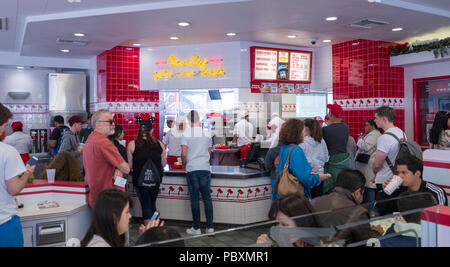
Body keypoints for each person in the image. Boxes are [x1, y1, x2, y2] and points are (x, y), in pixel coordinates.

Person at [311, 169, 383, 244]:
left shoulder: (314, 202)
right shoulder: (358, 212)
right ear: (358, 193)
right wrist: (377, 232)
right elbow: (369, 241)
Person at [0, 103, 36, 247]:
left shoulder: (8, 141)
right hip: (4, 222)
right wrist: (27, 172)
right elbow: (14, 189)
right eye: (4, 125)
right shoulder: (7, 151)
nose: (4, 130)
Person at [83, 109, 130, 208]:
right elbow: (126, 168)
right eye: (110, 121)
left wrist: (118, 168)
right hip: (111, 199)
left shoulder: (90, 139)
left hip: (97, 198)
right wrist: (120, 168)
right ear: (98, 124)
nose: (113, 124)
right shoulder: (104, 143)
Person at [274, 118, 331, 200]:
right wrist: (319, 178)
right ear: (297, 133)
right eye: (304, 131)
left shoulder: (285, 148)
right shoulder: (296, 150)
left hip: (283, 193)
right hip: (295, 196)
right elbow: (305, 178)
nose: (305, 134)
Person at [375, 155, 447, 215]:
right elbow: (379, 211)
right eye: (398, 172)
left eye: (404, 173)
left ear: (417, 174)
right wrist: (385, 193)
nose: (400, 176)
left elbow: (441, 218)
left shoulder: (435, 192)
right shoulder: (397, 189)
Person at [127, 118, 166, 226]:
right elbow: (163, 164)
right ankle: (155, 228)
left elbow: (129, 167)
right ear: (151, 130)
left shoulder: (132, 144)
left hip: (140, 181)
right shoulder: (160, 144)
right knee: (151, 204)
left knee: (146, 205)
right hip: (156, 181)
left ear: (139, 130)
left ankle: (149, 232)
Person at [181, 110, 214, 235]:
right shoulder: (207, 133)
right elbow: (209, 152)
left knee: (194, 199)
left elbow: (184, 154)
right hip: (205, 168)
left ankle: (196, 228)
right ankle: (210, 228)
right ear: (199, 119)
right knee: (207, 198)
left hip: (192, 169)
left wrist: (185, 163)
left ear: (189, 120)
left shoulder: (186, 134)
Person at [372, 106, 406, 191]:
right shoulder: (401, 132)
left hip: (385, 180)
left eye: (376, 118)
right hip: (398, 178)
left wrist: (375, 173)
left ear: (384, 119)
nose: (374, 120)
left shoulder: (384, 138)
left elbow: (377, 165)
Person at [322, 103, 350, 194]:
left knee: (330, 186)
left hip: (331, 161)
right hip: (345, 160)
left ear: (330, 114)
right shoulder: (346, 128)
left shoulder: (325, 130)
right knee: (342, 183)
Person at [355, 119, 382, 206]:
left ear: (372, 126)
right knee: (367, 186)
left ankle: (370, 209)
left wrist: (360, 139)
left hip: (368, 166)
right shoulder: (373, 134)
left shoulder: (374, 134)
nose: (365, 127)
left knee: (369, 187)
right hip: (366, 165)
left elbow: (366, 147)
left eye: (366, 125)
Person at [300, 118, 329, 198]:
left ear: (306, 128)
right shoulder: (321, 141)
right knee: (317, 202)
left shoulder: (302, 143)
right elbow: (326, 158)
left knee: (306, 202)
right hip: (320, 176)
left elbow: (299, 160)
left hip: (307, 176)